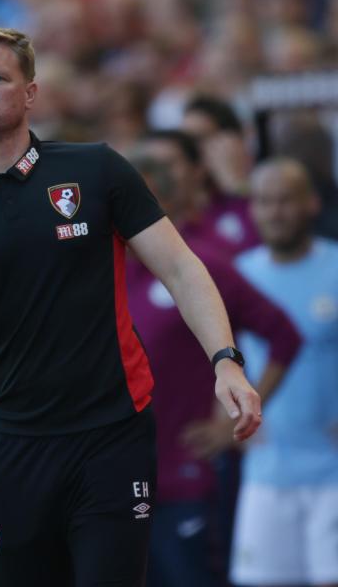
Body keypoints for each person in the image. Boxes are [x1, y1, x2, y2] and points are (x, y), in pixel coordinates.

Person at [0, 24, 263, 586]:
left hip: (111, 437)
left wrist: (225, 360)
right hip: (15, 448)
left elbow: (180, 268)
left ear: (30, 92)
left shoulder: (95, 169)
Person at [127, 157, 301, 587]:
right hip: (122, 481)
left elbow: (284, 334)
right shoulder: (108, 273)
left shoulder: (203, 266)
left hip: (186, 476)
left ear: (164, 202)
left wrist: (230, 424)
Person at [230, 158, 338, 587]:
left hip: (333, 471)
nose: (275, 212)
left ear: (311, 204)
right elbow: (218, 357)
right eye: (264, 201)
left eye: (285, 201)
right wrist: (227, 423)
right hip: (266, 470)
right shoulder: (240, 275)